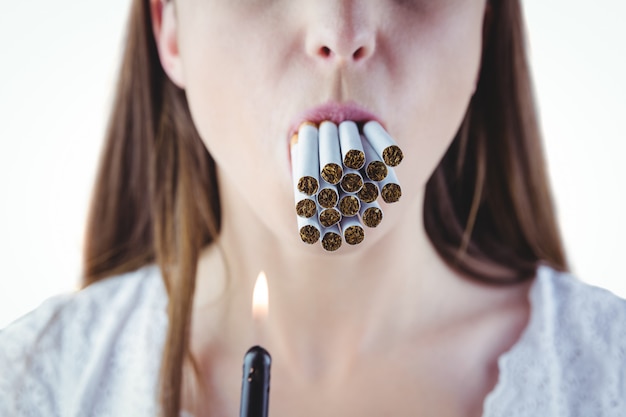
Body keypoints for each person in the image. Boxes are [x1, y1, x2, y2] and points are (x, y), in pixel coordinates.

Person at [1, 0, 625, 416]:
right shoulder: (32, 384)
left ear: (483, 25)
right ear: (169, 26)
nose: (340, 33)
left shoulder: (608, 374)